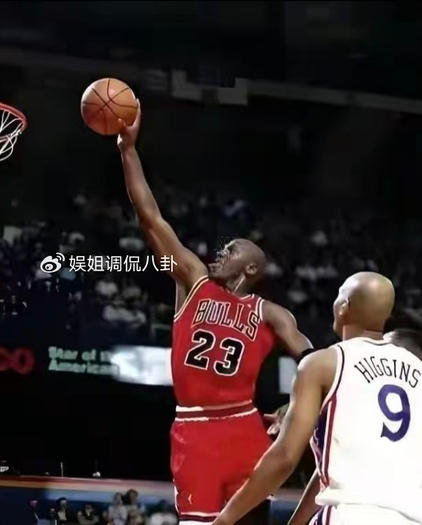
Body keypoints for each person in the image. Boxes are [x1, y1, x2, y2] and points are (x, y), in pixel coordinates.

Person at [117, 106, 312, 524]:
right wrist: (128, 151)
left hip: (243, 426)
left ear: (252, 267)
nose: (221, 251)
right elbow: (151, 218)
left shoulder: (271, 313)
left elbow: (315, 362)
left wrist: (294, 408)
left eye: (232, 249)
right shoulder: (194, 281)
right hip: (193, 428)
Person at [212, 272, 422, 525]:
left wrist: (225, 519)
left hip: (348, 514)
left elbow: (285, 457)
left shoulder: (323, 362)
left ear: (343, 307)